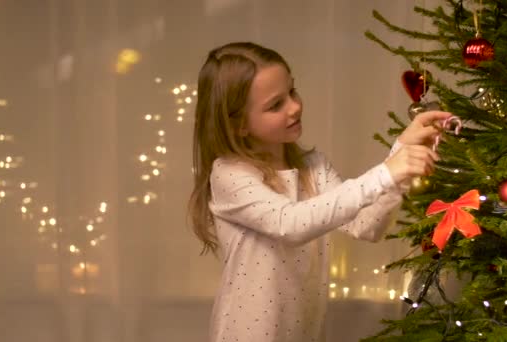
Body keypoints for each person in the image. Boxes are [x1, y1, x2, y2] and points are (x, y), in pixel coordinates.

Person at [188, 41, 451, 342]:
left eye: (293, 91)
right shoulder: (230, 174)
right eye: (276, 105)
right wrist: (387, 171)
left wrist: (404, 153)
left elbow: (367, 225)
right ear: (238, 126)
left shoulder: (312, 166)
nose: (295, 106)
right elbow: (290, 224)